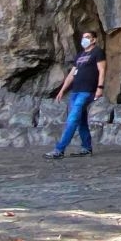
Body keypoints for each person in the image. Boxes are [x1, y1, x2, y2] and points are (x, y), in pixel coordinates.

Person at [44, 29, 106, 160]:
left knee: (72, 119)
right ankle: (86, 148)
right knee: (81, 121)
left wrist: (100, 87)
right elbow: (72, 74)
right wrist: (62, 90)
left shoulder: (97, 52)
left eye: (88, 37)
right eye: (83, 37)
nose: (85, 40)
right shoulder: (79, 55)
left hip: (87, 91)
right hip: (75, 91)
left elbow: (102, 70)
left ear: (94, 40)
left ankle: (59, 150)